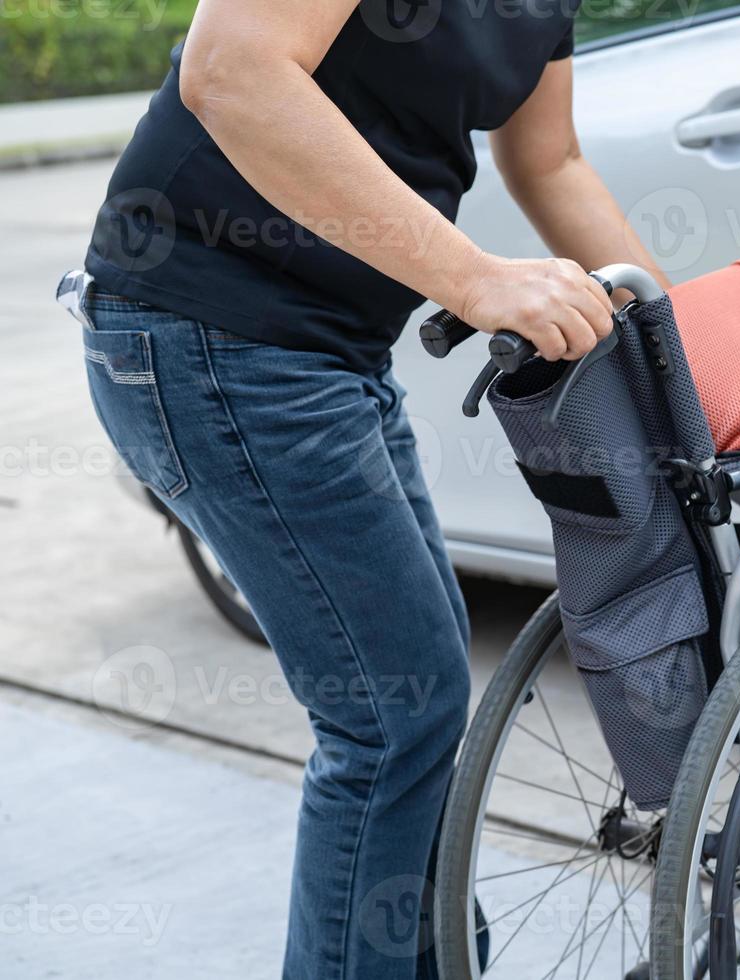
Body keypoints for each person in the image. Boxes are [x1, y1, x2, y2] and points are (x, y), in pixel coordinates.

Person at [70, 0, 668, 976]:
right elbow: (232, 69)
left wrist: (675, 351)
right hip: (211, 329)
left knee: (415, 710)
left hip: (328, 353)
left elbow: (550, 160)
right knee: (394, 718)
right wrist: (474, 278)